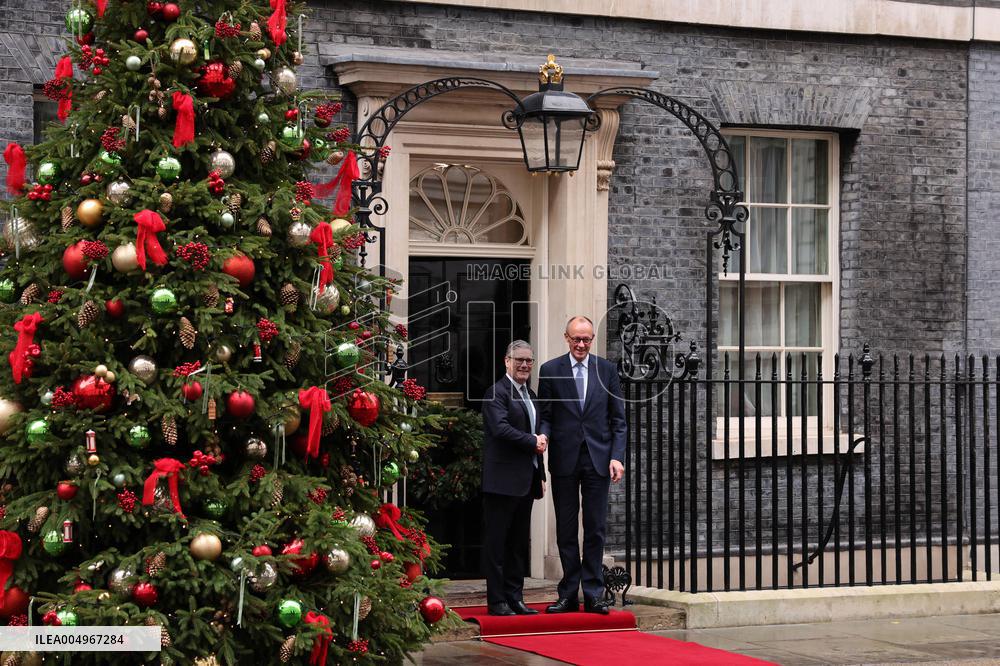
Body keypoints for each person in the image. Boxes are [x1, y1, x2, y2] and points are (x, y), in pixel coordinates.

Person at [538, 316, 626, 615]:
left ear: (592, 339)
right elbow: (545, 414)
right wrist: (544, 436)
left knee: (595, 528)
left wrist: (617, 456)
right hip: (564, 458)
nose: (581, 344)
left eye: (586, 339)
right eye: (576, 339)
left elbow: (618, 420)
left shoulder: (607, 370)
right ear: (566, 338)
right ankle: (567, 593)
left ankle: (593, 593)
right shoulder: (550, 370)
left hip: (598, 459)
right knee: (565, 528)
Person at [480, 340, 547, 616]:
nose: (524, 365)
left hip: (525, 481)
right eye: (519, 359)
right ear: (506, 361)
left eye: (529, 361)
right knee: (497, 544)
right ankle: (497, 602)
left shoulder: (529, 394)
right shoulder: (496, 393)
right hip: (500, 482)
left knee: (518, 544)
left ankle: (515, 597)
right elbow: (501, 429)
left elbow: (537, 439)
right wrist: (532, 441)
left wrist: (540, 474)